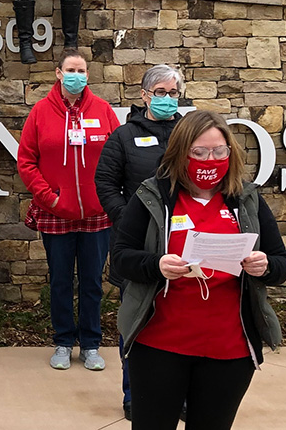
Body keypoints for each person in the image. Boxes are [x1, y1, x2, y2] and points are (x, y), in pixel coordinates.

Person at [113, 110, 286, 430]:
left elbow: (281, 265)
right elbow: (121, 257)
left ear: (230, 152)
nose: (210, 159)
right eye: (199, 152)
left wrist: (264, 266)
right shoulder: (154, 195)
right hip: (160, 345)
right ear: (181, 152)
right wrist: (156, 265)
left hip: (229, 349)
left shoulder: (246, 199)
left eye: (218, 151)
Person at [17, 48, 119, 372]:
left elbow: (118, 157)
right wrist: (50, 197)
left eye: (83, 70)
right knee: (60, 280)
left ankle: (90, 344)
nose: (78, 75)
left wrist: (106, 196)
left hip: (96, 214)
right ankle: (62, 341)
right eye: (71, 70)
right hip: (56, 212)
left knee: (91, 281)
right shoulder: (40, 112)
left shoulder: (103, 111)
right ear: (59, 73)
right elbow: (26, 161)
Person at [94, 64, 184, 420]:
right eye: (159, 92)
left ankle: (179, 396)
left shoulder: (189, 132)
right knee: (136, 320)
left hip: (182, 240)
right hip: (138, 246)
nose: (165, 99)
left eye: (172, 93)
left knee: (178, 322)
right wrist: (129, 220)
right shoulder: (124, 136)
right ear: (145, 95)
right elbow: (105, 183)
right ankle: (135, 395)